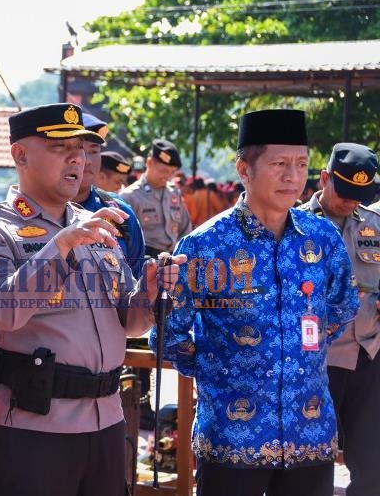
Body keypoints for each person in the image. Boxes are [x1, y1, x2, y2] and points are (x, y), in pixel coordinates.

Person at [0, 103, 184, 496]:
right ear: (20, 155)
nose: (77, 158)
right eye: (59, 146)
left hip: (106, 423)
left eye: (80, 148)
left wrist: (147, 292)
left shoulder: (97, 224)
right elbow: (5, 310)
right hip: (29, 429)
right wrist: (60, 245)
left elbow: (128, 322)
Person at [154, 109, 359, 496]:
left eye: (301, 164)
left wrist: (301, 351)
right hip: (233, 439)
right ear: (244, 169)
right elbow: (168, 332)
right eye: (279, 164)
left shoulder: (323, 239)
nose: (292, 176)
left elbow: (342, 306)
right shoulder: (205, 245)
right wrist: (220, 370)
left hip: (308, 433)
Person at [298, 143, 380, 496]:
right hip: (318, 360)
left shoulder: (375, 224)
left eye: (358, 195)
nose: (349, 202)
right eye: (344, 191)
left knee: (373, 463)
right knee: (311, 461)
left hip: (369, 356)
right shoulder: (295, 224)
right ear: (324, 177)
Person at [74, 112, 146, 277]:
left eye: (94, 151)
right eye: (79, 149)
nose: (87, 160)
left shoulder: (121, 213)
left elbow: (136, 282)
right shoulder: (42, 211)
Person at [120, 138, 192, 257]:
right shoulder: (130, 196)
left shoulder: (174, 193)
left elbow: (185, 229)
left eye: (172, 172)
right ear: (149, 163)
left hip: (173, 259)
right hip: (144, 262)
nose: (167, 177)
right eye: (163, 171)